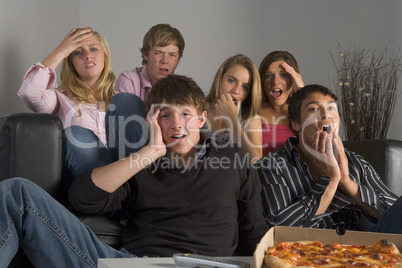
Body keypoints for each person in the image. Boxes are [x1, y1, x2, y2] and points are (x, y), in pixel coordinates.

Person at [0, 75, 268, 267]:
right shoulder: (142, 164)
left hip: (209, 264)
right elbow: (83, 198)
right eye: (165, 115)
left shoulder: (233, 158)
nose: (176, 124)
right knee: (16, 193)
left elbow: (253, 229)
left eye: (185, 114)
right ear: (152, 122)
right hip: (138, 263)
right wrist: (148, 154)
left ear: (201, 119)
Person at [257, 84, 402, 234]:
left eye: (332, 108)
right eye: (314, 109)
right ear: (295, 123)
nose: (326, 115)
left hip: (364, 251)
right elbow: (279, 227)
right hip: (306, 250)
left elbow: (394, 213)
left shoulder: (354, 161)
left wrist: (346, 182)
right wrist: (330, 182)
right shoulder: (272, 165)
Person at [18, 27, 117, 184]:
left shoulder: (121, 100)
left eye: (93, 49)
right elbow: (29, 93)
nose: (88, 55)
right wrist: (60, 51)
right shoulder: (60, 98)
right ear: (71, 63)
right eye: (78, 52)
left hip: (122, 179)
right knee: (76, 134)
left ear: (105, 55)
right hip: (88, 187)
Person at [205, 54, 262, 162]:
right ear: (220, 79)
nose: (236, 90)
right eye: (231, 81)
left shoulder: (251, 118)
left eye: (245, 87)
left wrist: (232, 119)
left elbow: (256, 162)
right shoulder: (198, 108)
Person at [115, 23, 185, 100]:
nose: (165, 60)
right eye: (158, 53)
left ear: (178, 60)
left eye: (172, 55)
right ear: (146, 55)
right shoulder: (129, 81)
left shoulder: (183, 88)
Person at [258, 51, 305, 156]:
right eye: (268, 75)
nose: (275, 81)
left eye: (283, 75)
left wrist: (302, 90)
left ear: (294, 79)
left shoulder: (302, 111)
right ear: (261, 81)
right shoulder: (252, 110)